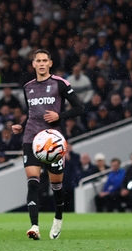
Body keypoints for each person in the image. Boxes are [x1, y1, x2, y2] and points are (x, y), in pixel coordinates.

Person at [11, 49, 84, 240]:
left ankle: (58, 218)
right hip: (31, 140)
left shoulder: (60, 84)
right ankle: (34, 226)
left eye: (45, 60)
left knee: (56, 186)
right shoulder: (28, 87)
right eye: (38, 61)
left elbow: (80, 108)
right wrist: (22, 125)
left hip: (53, 142)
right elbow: (32, 113)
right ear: (33, 64)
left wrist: (60, 115)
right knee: (33, 183)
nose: (42, 64)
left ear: (50, 63)